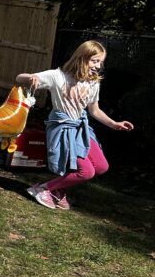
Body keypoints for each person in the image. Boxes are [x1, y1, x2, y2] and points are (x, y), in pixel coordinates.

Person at [16, 40, 133, 210]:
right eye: (94, 61)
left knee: (101, 167)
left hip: (80, 128)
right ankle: (43, 189)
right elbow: (19, 78)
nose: (98, 66)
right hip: (63, 127)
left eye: (101, 62)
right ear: (81, 58)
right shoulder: (58, 76)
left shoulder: (93, 82)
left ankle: (57, 189)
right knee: (86, 172)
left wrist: (114, 124)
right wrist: (31, 77)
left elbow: (94, 110)